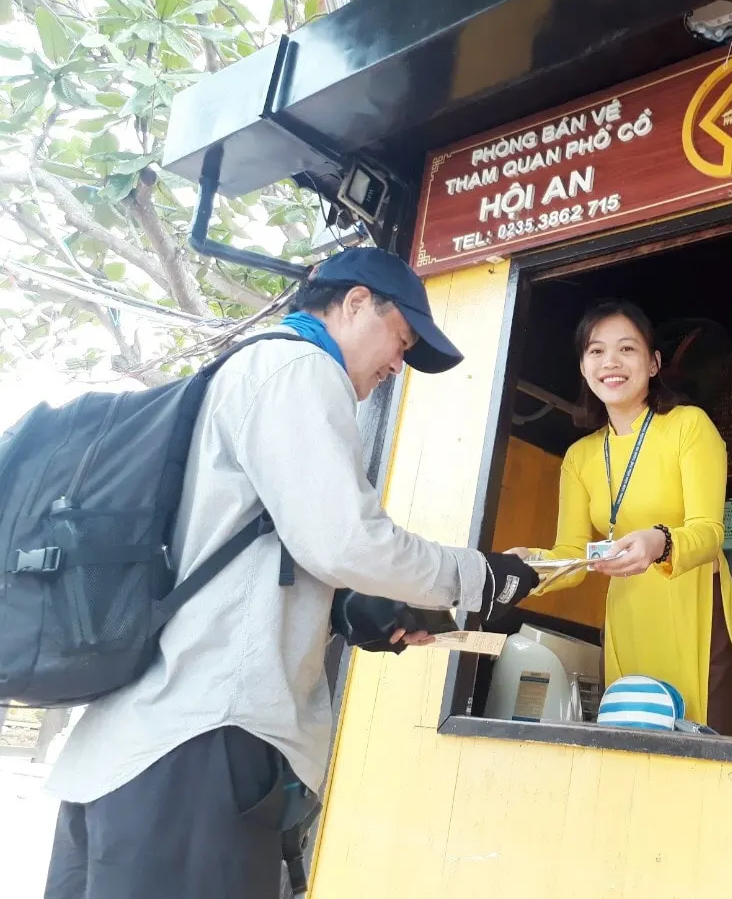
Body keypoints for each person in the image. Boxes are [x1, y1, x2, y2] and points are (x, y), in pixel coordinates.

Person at [41, 246, 541, 899]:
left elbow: (246, 553)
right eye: (401, 340)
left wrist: (346, 611)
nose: (397, 365)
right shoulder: (299, 368)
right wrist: (483, 579)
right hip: (205, 744)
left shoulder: (239, 374)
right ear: (357, 302)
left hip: (133, 752)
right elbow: (344, 541)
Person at [511, 300, 732, 745]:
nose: (610, 362)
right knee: (630, 737)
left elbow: (709, 533)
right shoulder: (580, 457)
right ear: (583, 366)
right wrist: (525, 565)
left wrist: (660, 542)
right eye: (596, 351)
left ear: (653, 364)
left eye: (626, 349)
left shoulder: (690, 427)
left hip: (693, 609)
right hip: (627, 614)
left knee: (702, 739)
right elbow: (572, 556)